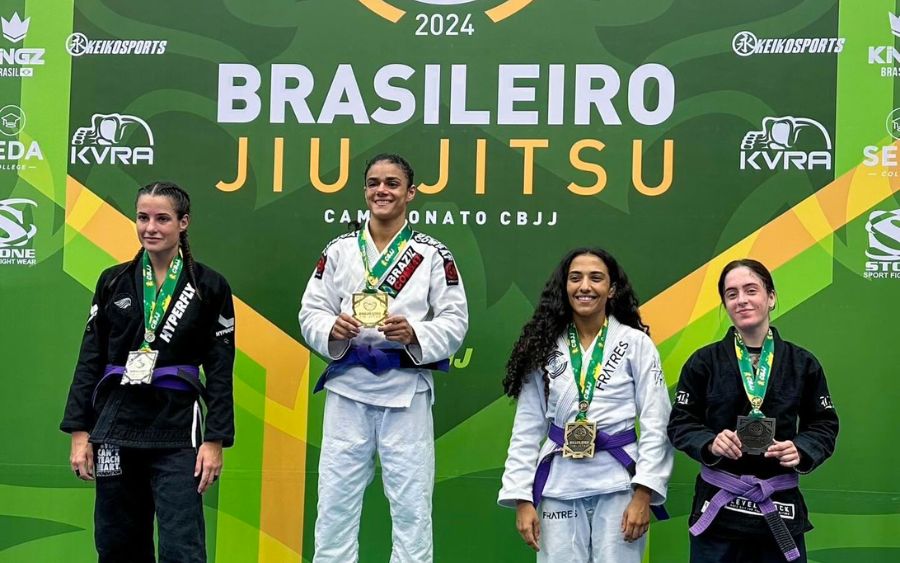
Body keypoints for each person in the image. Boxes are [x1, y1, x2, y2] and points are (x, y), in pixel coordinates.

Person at [299, 153, 469, 563]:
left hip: (406, 390)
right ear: (365, 191)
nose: (382, 190)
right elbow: (311, 310)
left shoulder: (432, 255)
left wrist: (416, 333)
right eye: (374, 182)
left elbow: (455, 320)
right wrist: (330, 330)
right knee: (335, 504)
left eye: (392, 183)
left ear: (410, 193)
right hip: (348, 390)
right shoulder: (339, 250)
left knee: (411, 507)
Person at [60, 182, 236, 563]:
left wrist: (215, 440)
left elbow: (220, 369)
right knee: (118, 543)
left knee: (182, 547)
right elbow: (90, 360)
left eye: (162, 218)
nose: (150, 227)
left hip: (176, 428)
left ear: (183, 223)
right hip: (117, 425)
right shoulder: (113, 281)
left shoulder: (209, 286)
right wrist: (80, 432)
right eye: (143, 217)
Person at [498, 247, 673, 562]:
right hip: (558, 485)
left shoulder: (635, 344)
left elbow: (656, 421)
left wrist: (644, 492)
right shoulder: (544, 345)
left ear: (612, 289)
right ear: (564, 287)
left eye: (596, 278)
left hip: (620, 484)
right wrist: (522, 498)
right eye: (575, 278)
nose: (585, 287)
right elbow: (526, 426)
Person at [667, 259, 839, 563]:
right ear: (724, 304)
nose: (742, 300)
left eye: (751, 290)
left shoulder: (803, 363)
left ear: (770, 297)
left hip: (778, 506)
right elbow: (681, 422)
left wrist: (800, 449)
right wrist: (709, 442)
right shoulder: (704, 362)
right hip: (719, 508)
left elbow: (823, 424)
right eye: (731, 294)